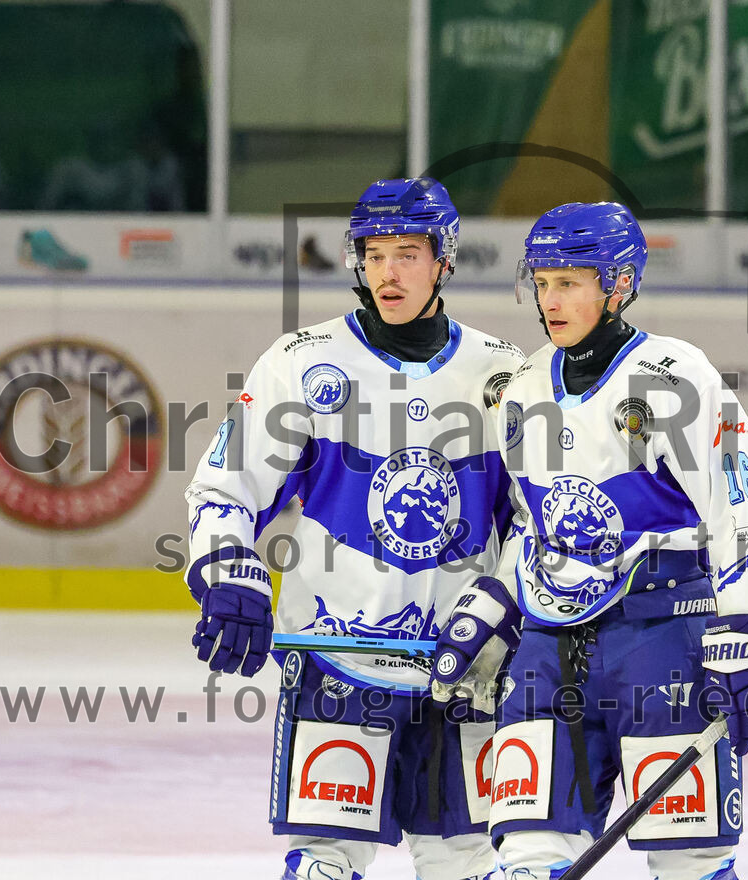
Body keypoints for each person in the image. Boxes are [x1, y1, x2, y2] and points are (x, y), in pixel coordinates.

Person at [431, 202, 748, 880]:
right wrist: (491, 611)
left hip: (661, 643)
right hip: (545, 652)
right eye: (541, 283)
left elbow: (744, 508)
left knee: (691, 864)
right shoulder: (524, 388)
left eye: (569, 282)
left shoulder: (674, 376)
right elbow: (530, 530)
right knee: (527, 857)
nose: (550, 300)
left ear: (618, 285)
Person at [184, 177, 525, 880]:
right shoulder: (302, 363)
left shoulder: (502, 374)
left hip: (460, 673)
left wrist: (506, 608)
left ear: (444, 258)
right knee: (325, 864)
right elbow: (224, 488)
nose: (388, 272)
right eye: (373, 254)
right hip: (335, 668)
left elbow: (535, 521)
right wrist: (227, 571)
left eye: (407, 253)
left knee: (467, 862)